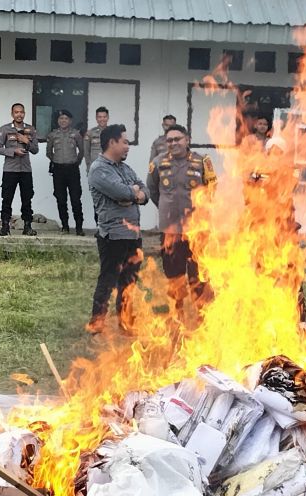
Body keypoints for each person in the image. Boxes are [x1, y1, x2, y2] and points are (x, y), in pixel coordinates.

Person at [147, 124, 217, 312]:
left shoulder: (202, 162)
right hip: (171, 231)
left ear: (187, 140)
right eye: (169, 140)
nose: (173, 143)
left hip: (197, 230)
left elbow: (211, 191)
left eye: (177, 139)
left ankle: (203, 314)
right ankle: (177, 313)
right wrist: (166, 208)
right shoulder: (158, 163)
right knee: (173, 275)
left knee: (199, 274)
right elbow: (153, 191)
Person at [87, 124, 149, 334]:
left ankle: (126, 322)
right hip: (113, 236)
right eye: (124, 142)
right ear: (112, 142)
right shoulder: (99, 169)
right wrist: (131, 193)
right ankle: (97, 324)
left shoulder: (124, 168)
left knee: (129, 282)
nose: (128, 146)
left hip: (133, 236)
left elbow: (145, 190)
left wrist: (135, 194)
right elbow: (122, 193)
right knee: (108, 281)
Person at [0, 103, 39, 236]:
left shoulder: (30, 129)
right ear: (12, 114)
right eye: (16, 112)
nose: (19, 114)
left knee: (27, 198)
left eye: (21, 112)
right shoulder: (5, 129)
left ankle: (27, 226)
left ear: (24, 113)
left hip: (25, 170)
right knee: (7, 198)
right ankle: (5, 226)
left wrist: (27, 141)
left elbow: (35, 150)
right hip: (10, 169)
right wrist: (13, 151)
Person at [45, 109, 86, 235]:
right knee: (61, 199)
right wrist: (57, 161)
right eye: (61, 118)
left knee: (75, 199)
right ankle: (65, 226)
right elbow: (48, 152)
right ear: (58, 121)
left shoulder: (76, 134)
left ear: (70, 120)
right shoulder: (52, 135)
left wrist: (76, 162)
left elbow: (82, 151)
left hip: (72, 169)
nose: (63, 121)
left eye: (66, 118)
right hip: (58, 171)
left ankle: (79, 228)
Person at [82, 106, 109, 173]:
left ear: (108, 117)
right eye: (99, 117)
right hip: (95, 168)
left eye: (104, 117)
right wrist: (89, 166)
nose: (102, 119)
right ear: (96, 118)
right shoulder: (90, 133)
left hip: (109, 168)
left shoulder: (113, 132)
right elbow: (86, 152)